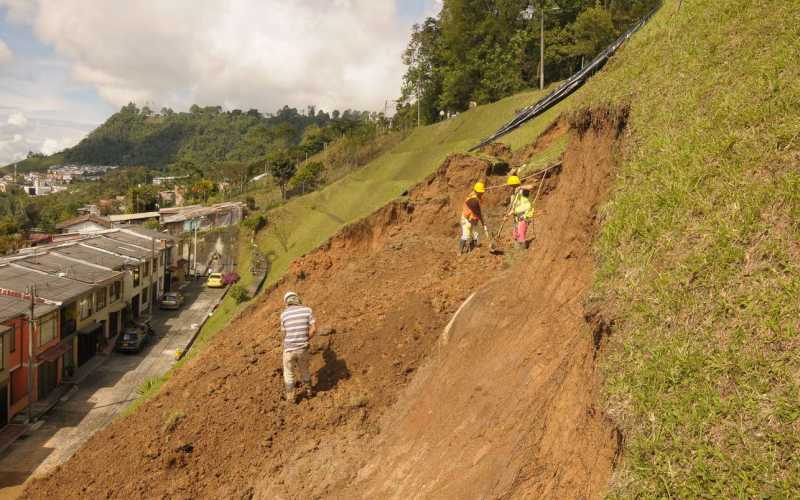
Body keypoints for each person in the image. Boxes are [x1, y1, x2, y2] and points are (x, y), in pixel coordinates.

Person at [280, 291, 317, 403]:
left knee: (288, 373)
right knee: (304, 370)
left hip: (289, 349)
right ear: (297, 299)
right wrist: (306, 339)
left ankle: (291, 397)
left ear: (286, 302)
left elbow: (283, 334)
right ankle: (309, 392)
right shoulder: (307, 310)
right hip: (303, 349)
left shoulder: (283, 314)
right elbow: (314, 329)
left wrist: (286, 344)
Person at [505, 176, 533, 249]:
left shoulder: (522, 191)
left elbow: (531, 186)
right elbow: (513, 208)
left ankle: (522, 248)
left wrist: (521, 187)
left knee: (521, 231)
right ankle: (517, 247)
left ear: (515, 184)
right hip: (517, 216)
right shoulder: (513, 195)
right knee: (515, 233)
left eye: (511, 185)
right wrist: (508, 215)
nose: (510, 187)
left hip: (524, 214)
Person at [459, 182, 488, 254]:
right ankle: (460, 251)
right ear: (477, 191)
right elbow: (478, 213)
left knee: (476, 233)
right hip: (466, 219)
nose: (482, 194)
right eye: (481, 192)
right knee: (466, 235)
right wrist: (483, 224)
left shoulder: (474, 195)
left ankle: (476, 248)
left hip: (472, 217)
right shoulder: (473, 200)